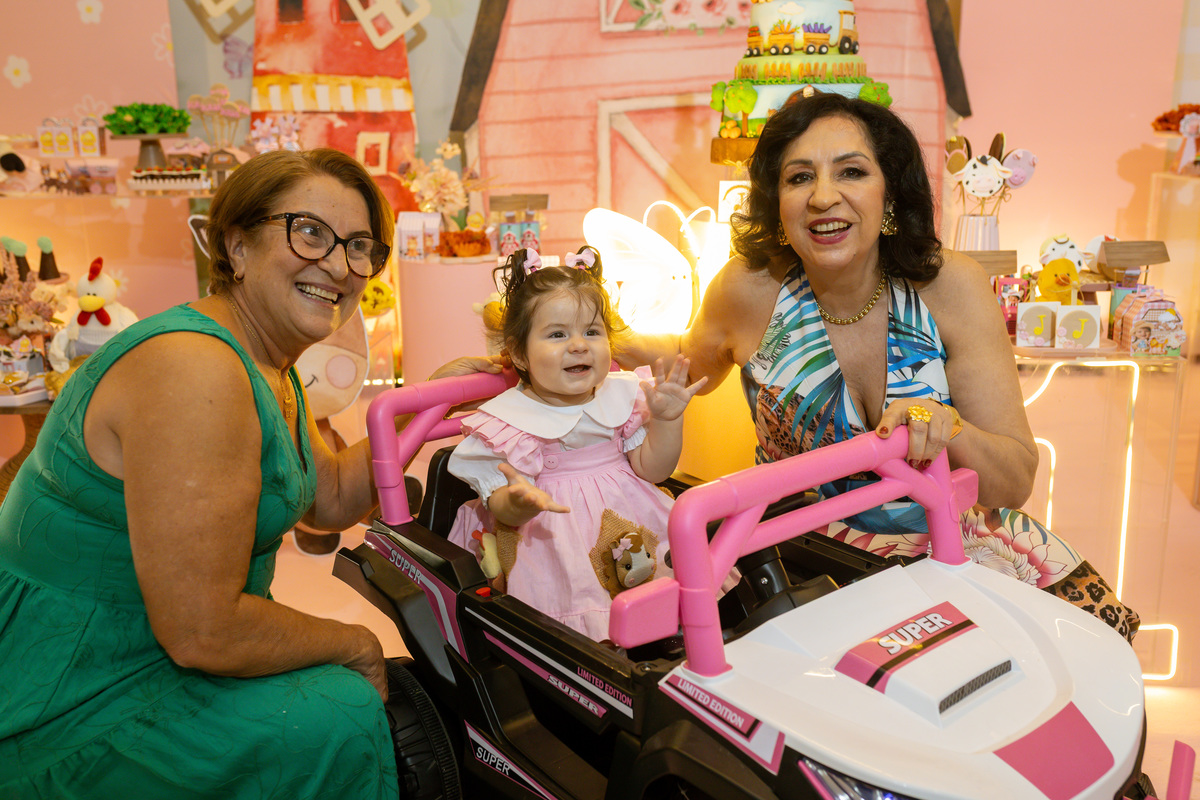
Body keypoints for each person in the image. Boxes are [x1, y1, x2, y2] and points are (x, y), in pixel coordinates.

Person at [0, 147, 502, 798]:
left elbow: (326, 498)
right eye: (310, 232)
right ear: (235, 247)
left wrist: (429, 399)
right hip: (78, 680)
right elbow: (202, 630)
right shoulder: (196, 370)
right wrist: (354, 643)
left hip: (158, 645)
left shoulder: (270, 364)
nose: (339, 266)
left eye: (358, 247)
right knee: (344, 715)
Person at [619, 92, 1140, 642]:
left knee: (1083, 657)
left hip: (955, 553)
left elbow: (1013, 482)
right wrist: (598, 337)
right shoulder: (747, 289)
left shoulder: (951, 287)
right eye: (799, 178)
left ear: (890, 193)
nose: (823, 197)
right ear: (777, 204)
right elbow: (686, 364)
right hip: (805, 566)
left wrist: (947, 424)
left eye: (851, 171)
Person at [446, 246, 706, 641]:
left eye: (592, 332)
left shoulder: (622, 396)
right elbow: (498, 503)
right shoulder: (511, 420)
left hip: (631, 526)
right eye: (557, 334)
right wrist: (518, 502)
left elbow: (654, 470)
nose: (579, 345)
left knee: (675, 604)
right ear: (519, 353)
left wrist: (668, 421)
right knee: (585, 626)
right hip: (551, 539)